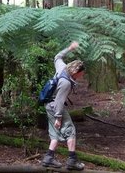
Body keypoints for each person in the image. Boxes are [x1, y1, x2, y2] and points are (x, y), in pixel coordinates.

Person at [41, 41, 86, 170]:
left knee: (55, 132)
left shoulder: (62, 68)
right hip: (55, 106)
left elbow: (57, 57)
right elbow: (60, 101)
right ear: (76, 71)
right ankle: (72, 160)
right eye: (81, 73)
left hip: (48, 104)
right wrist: (58, 117)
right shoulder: (66, 83)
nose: (82, 76)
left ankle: (48, 158)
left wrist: (69, 48)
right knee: (70, 130)